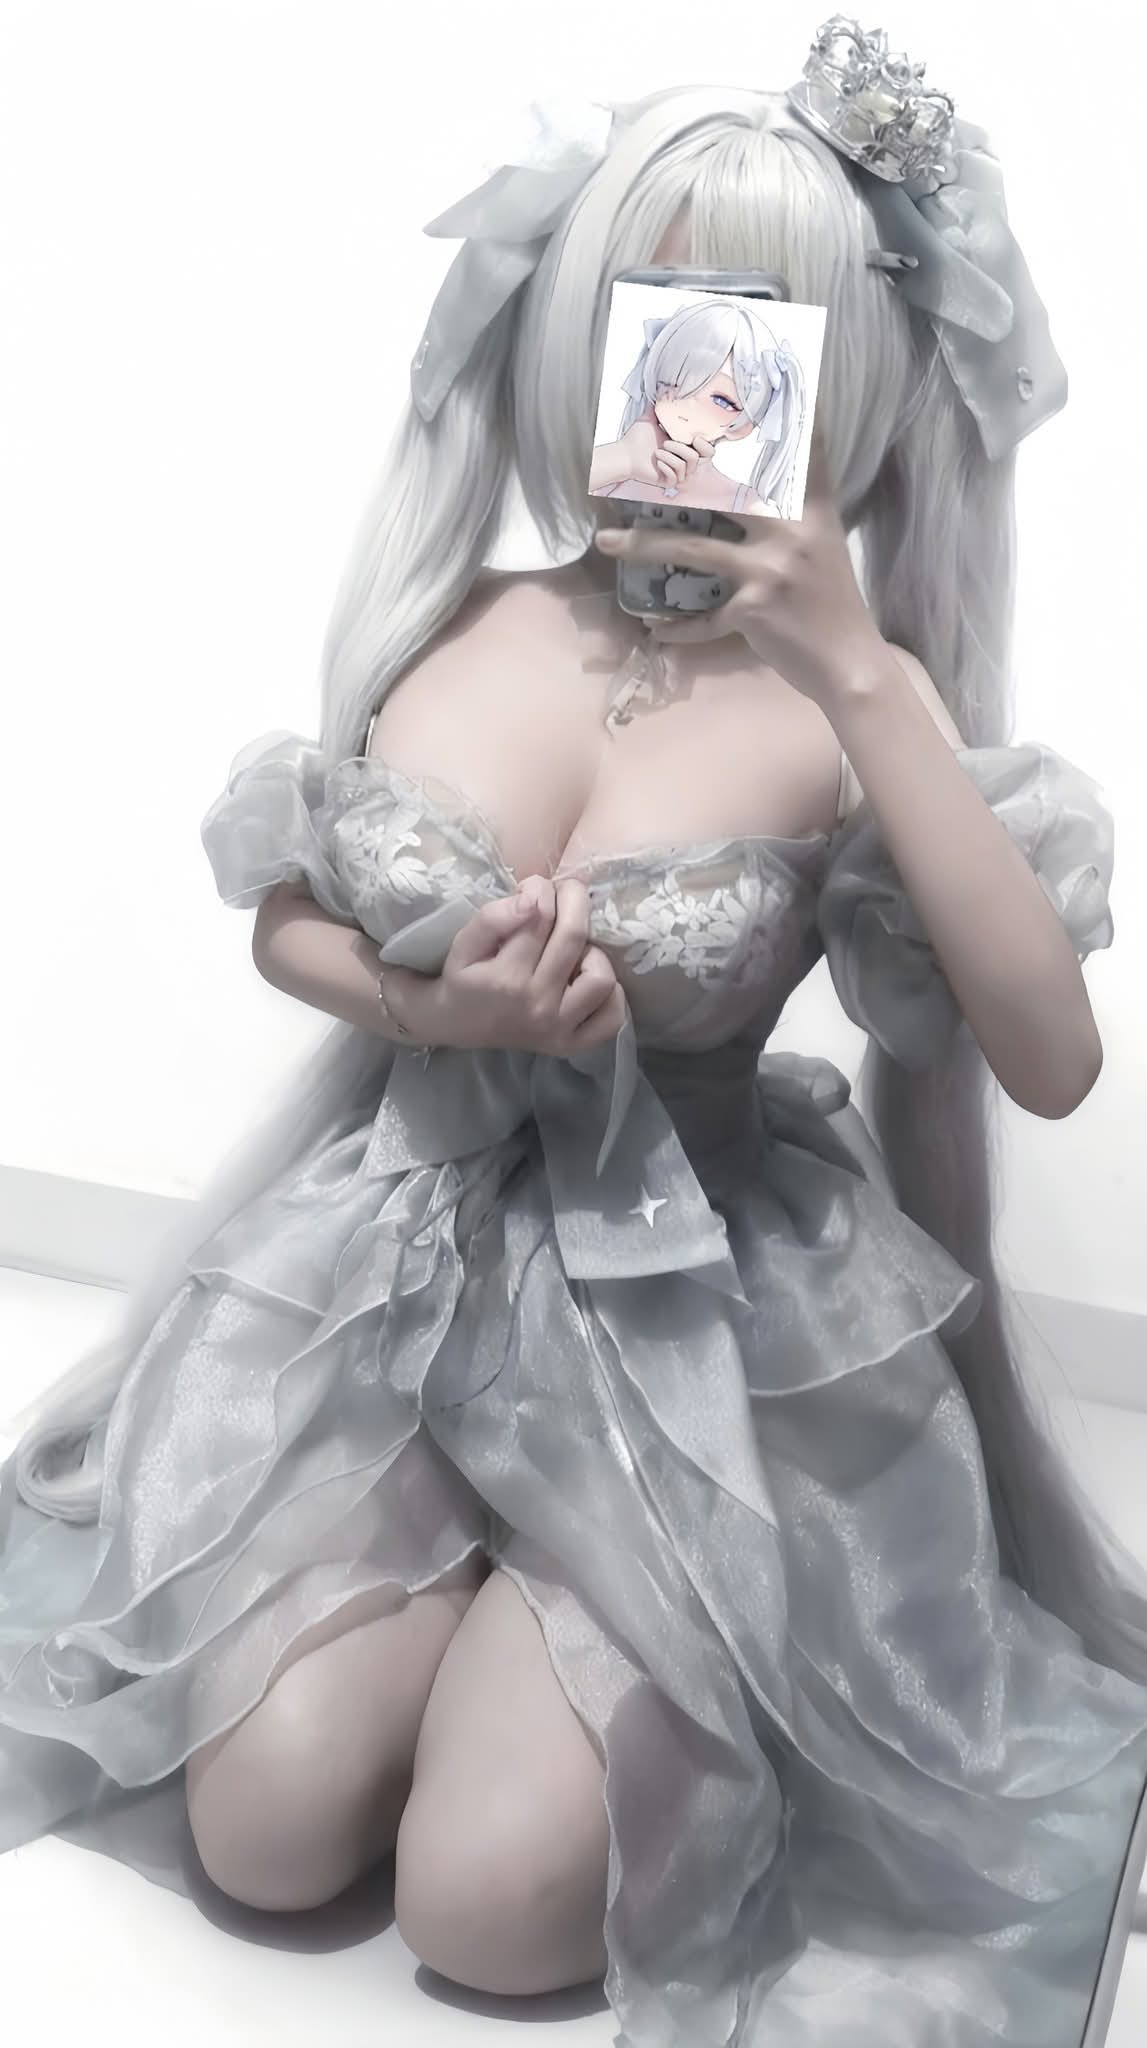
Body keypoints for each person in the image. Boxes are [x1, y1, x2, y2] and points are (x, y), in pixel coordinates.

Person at [3, 28, 1147, 2048]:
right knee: (264, 1829)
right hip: (393, 1282)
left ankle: (556, 1627)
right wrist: (427, 1002)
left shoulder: (855, 701)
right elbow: (285, 908)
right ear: (573, 334)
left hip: (695, 1332)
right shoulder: (462, 614)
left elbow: (1045, 1057)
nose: (696, 396)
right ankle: (440, 1589)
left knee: (496, 1909)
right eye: (652, 329)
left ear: (841, 379)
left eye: (755, 349)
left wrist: (859, 672)